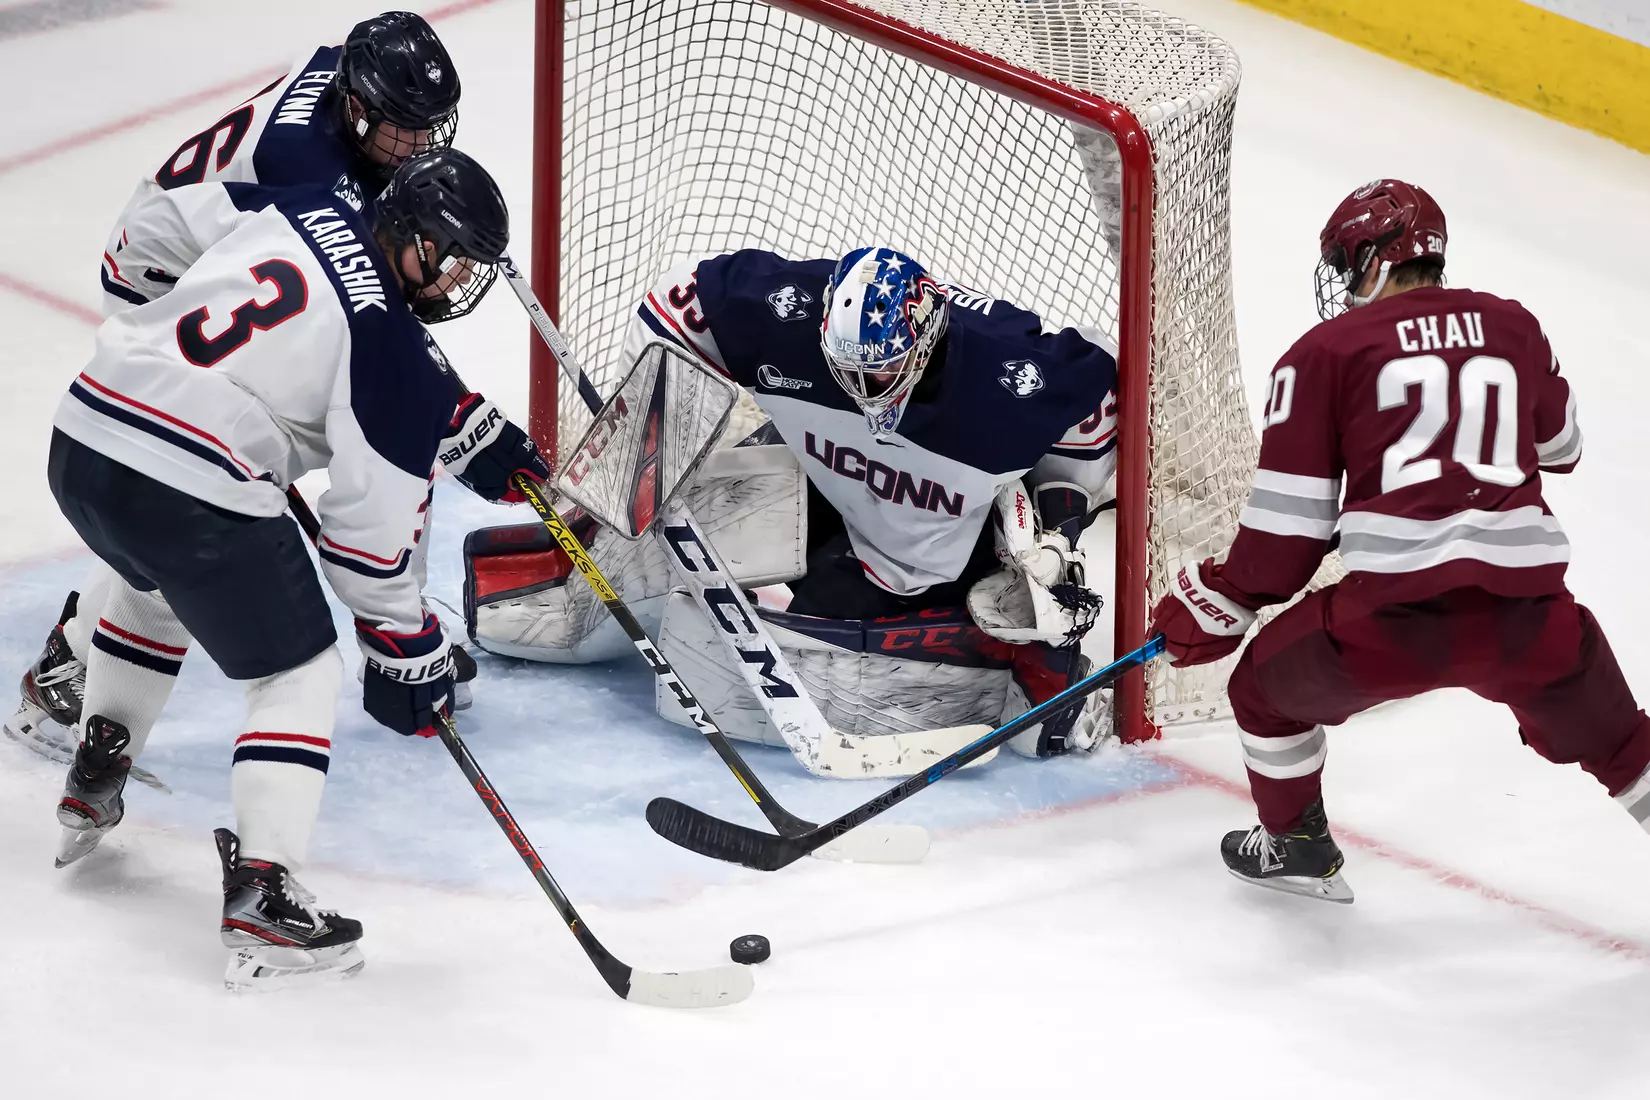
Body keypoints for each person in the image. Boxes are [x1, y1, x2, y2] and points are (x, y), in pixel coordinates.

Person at [46, 149, 547, 989]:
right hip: (190, 484)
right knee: (300, 670)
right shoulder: (391, 348)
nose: (457, 279)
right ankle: (263, 891)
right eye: (450, 256)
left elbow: (155, 225)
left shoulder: (310, 203)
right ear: (413, 238)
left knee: (151, 587)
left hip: (86, 429)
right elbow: (367, 551)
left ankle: (97, 768)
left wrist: (154, 343)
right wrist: (408, 646)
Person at [1149, 178, 1650, 903]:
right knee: (1625, 746)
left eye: (1349, 264)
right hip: (1533, 619)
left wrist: (1220, 597)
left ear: (1376, 261)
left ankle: (1295, 846)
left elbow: (1289, 534)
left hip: (1391, 625)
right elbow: (1563, 445)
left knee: (1260, 692)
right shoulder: (1512, 324)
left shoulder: (1323, 353)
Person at [7, 10, 464, 761]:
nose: (418, 146)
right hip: (163, 280)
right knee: (191, 490)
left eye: (429, 126)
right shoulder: (309, 169)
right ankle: (68, 662)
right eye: (402, 129)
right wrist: (449, 405)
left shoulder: (344, 76)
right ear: (354, 105)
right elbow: (373, 322)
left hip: (220, 246)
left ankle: (396, 617)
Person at [467, 246, 1119, 757]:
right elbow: (674, 304)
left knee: (812, 663)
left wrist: (1057, 536)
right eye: (845, 368)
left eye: (879, 374)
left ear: (925, 344)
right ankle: (552, 588)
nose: (862, 391)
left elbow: (1100, 402)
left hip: (913, 559)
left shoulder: (1013, 377)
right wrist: (650, 449)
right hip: (820, 480)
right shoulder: (786, 312)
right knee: (661, 532)